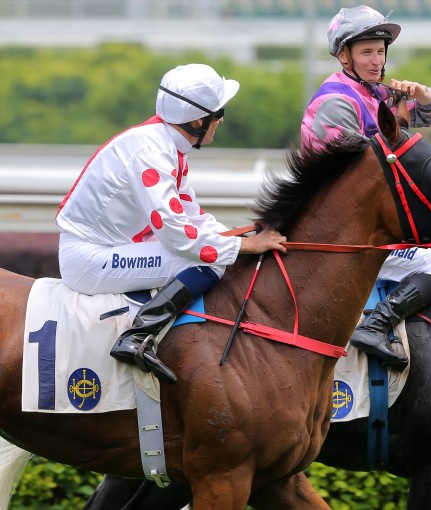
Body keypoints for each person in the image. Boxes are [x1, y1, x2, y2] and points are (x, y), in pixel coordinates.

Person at [56, 63, 287, 384]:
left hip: (112, 247)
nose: (221, 121)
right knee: (213, 262)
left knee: (215, 250)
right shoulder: (151, 152)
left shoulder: (167, 146)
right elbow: (175, 233)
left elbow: (192, 217)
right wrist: (241, 246)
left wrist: (240, 234)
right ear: (197, 120)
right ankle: (137, 336)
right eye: (219, 113)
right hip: (89, 260)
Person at [301, 5, 431, 370]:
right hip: (341, 230)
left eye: (380, 51)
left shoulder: (374, 93)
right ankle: (376, 325)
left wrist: (418, 94)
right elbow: (366, 172)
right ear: (344, 55)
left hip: (361, 222)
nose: (376, 60)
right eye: (366, 52)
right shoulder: (335, 101)